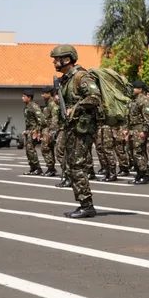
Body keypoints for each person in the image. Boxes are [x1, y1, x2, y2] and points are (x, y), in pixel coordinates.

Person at [50, 44, 102, 218]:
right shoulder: (67, 79)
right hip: (73, 128)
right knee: (72, 165)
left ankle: (87, 205)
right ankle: (83, 204)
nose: (55, 63)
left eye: (57, 59)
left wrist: (76, 107)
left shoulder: (81, 76)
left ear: (67, 59)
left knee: (77, 165)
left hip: (83, 128)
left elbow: (95, 97)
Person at [125, 80, 149, 185]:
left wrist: (144, 130)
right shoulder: (134, 100)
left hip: (139, 129)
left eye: (134, 88)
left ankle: (144, 174)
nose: (132, 90)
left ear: (140, 89)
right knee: (133, 153)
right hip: (133, 130)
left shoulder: (144, 100)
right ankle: (138, 174)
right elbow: (129, 117)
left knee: (139, 153)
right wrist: (127, 130)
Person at [21, 90, 43, 175]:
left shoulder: (34, 106)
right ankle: (33, 168)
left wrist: (37, 131)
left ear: (29, 97)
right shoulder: (27, 107)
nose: (22, 98)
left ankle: (37, 168)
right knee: (28, 150)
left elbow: (40, 120)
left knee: (31, 150)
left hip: (34, 131)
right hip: (29, 131)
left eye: (24, 96)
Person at [39, 86, 59, 177]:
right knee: (46, 149)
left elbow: (55, 117)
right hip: (45, 129)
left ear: (49, 94)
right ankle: (51, 168)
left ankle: (51, 169)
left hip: (49, 129)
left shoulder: (52, 104)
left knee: (46, 148)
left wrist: (52, 131)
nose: (42, 95)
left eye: (44, 93)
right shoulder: (47, 104)